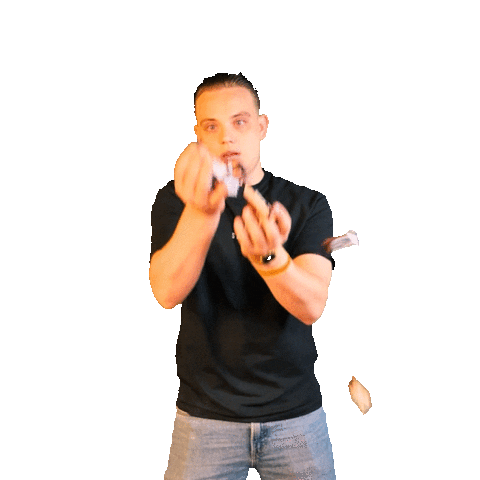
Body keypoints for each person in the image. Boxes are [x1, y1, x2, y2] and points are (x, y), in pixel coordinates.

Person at [151, 73, 336, 479]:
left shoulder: (308, 203)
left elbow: (312, 306)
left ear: (262, 126)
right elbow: (165, 292)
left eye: (239, 121)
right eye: (211, 126)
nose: (227, 138)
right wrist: (202, 212)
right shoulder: (174, 200)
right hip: (204, 418)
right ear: (198, 135)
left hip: (296, 417)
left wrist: (270, 258)